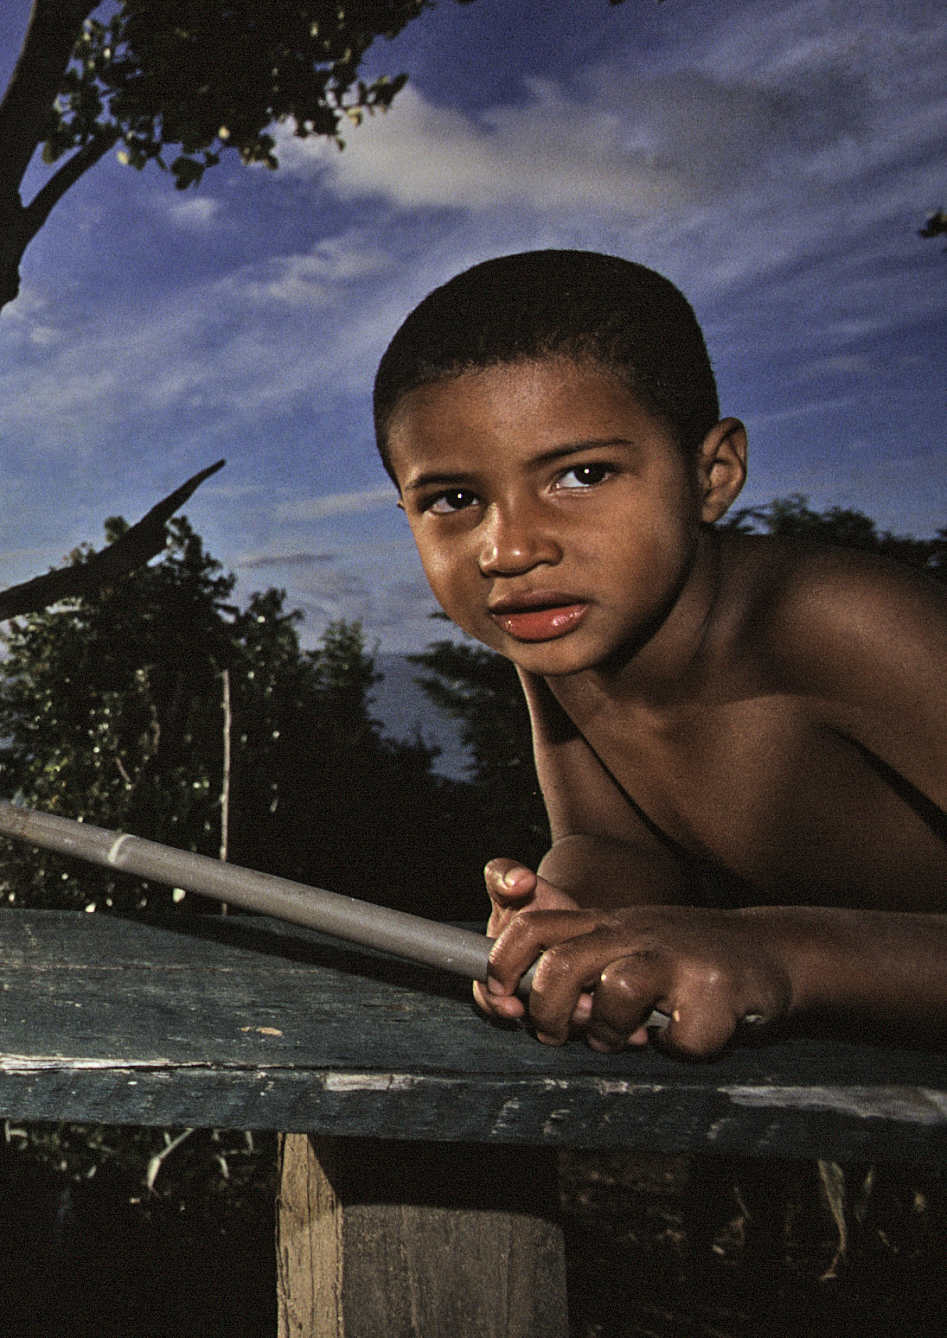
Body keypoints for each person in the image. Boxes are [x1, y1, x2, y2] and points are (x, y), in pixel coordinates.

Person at [372, 249, 947, 1058]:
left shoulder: (845, 625)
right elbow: (620, 845)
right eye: (454, 500)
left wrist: (781, 954)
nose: (508, 548)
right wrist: (572, 919)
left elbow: (769, 951)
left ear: (711, 474)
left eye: (581, 474)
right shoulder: (558, 638)